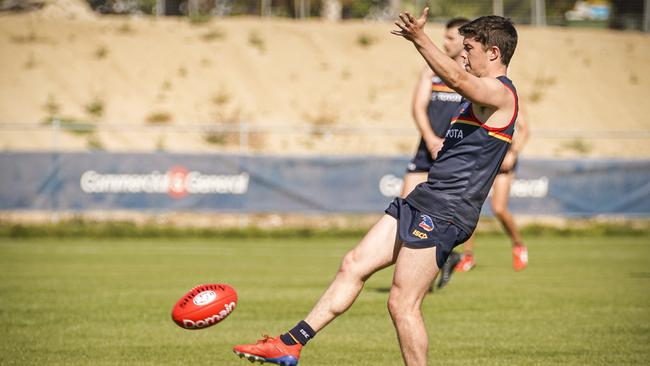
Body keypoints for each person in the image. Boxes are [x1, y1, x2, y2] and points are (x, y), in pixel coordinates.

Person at [233, 9, 520, 366]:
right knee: (353, 264)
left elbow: (461, 81)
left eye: (469, 48)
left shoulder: (500, 92)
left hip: (446, 211)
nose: (462, 55)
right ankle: (289, 344)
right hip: (425, 198)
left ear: (493, 53)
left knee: (402, 303)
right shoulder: (479, 95)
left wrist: (420, 39)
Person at [400, 17, 470, 290]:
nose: (446, 42)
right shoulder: (430, 71)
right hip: (426, 150)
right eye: (445, 37)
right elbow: (418, 107)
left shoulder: (471, 78)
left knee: (449, 215)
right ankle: (429, 265)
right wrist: (430, 138)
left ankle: (441, 259)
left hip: (453, 155)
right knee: (406, 208)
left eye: (452, 38)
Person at [454, 109, 530, 273]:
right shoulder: (481, 94)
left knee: (499, 209)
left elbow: (525, 130)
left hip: (504, 158)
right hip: (483, 157)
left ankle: (518, 245)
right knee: (469, 206)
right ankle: (467, 255)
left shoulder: (510, 96)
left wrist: (513, 154)